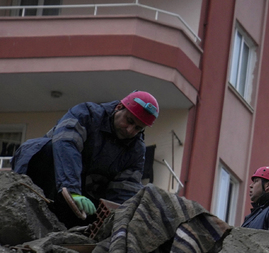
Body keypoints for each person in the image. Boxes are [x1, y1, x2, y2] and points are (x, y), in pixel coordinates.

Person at [12, 91, 159, 226]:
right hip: (45, 175)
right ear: (119, 107)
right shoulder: (86, 114)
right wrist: (71, 190)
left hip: (82, 194)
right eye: (129, 121)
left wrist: (114, 220)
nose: (130, 130)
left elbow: (125, 189)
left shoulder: (136, 150)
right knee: (51, 148)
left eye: (138, 128)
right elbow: (66, 146)